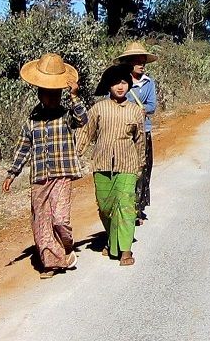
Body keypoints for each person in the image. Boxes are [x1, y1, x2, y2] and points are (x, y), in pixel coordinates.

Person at [2, 53, 87, 279]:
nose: (51, 98)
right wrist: (12, 173)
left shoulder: (67, 116)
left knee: (59, 219)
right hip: (40, 177)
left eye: (56, 94)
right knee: (41, 220)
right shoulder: (32, 121)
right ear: (40, 94)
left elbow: (83, 120)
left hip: (62, 174)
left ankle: (66, 245)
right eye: (47, 94)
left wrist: (75, 96)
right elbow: (23, 148)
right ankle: (51, 263)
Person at [77, 62, 147, 266]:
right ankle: (112, 240)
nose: (120, 86)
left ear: (129, 85)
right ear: (108, 86)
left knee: (125, 206)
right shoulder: (98, 109)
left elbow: (140, 139)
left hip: (128, 164)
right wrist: (74, 156)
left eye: (124, 82)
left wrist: (141, 164)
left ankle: (125, 250)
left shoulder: (135, 111)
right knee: (105, 207)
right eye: (116, 82)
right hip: (102, 164)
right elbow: (86, 133)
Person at [116, 41, 158, 225]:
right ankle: (123, 208)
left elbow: (151, 106)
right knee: (125, 170)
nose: (142, 65)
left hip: (143, 131)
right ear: (129, 62)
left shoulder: (149, 83)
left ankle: (137, 208)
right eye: (138, 61)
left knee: (143, 169)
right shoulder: (120, 83)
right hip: (123, 133)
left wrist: (139, 111)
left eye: (143, 62)